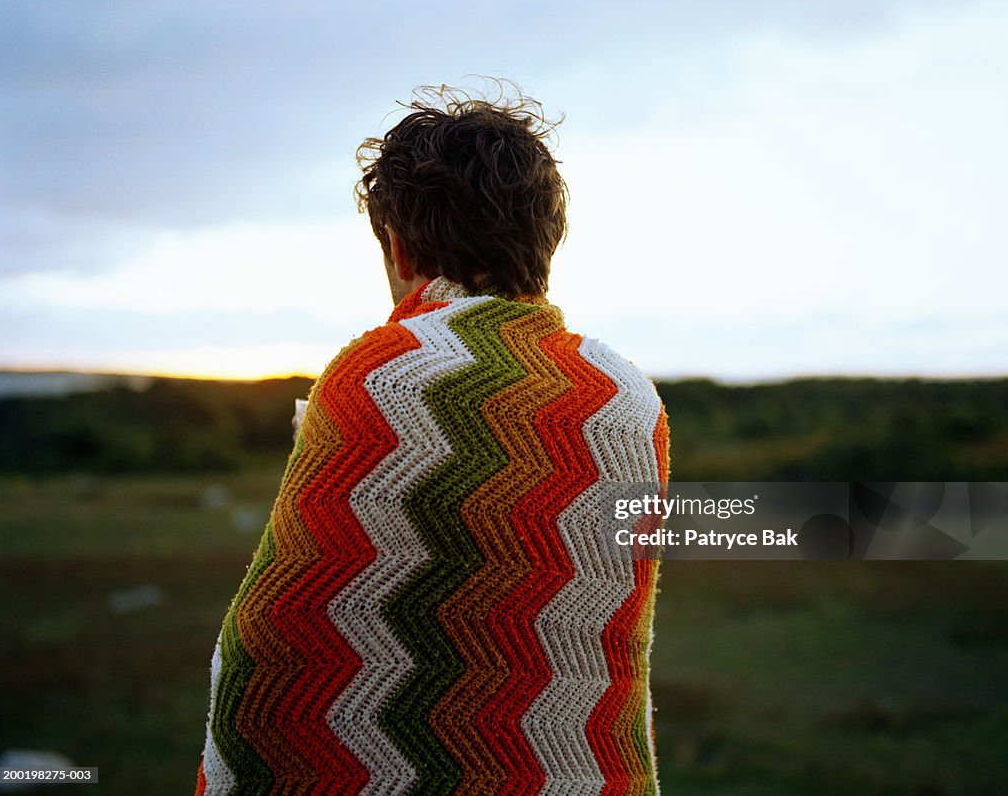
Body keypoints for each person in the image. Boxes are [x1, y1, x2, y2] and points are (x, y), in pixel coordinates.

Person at [195, 82, 670, 795]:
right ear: (547, 239)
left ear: (398, 242)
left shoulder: (377, 376)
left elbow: (273, 652)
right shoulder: (625, 399)